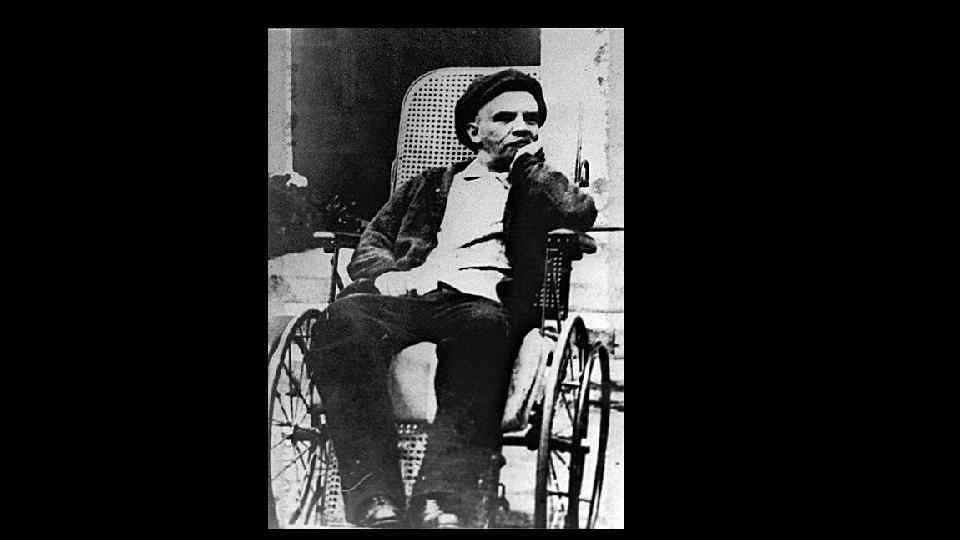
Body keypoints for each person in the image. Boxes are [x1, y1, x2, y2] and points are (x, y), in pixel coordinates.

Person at [305, 68, 597, 528]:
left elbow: (578, 211)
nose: (522, 127)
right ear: (474, 132)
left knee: (484, 330)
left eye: (531, 118)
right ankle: (377, 499)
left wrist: (529, 170)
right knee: (343, 320)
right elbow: (374, 239)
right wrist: (385, 275)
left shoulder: (537, 187)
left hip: (480, 302)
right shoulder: (429, 184)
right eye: (505, 117)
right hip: (413, 292)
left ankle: (441, 500)